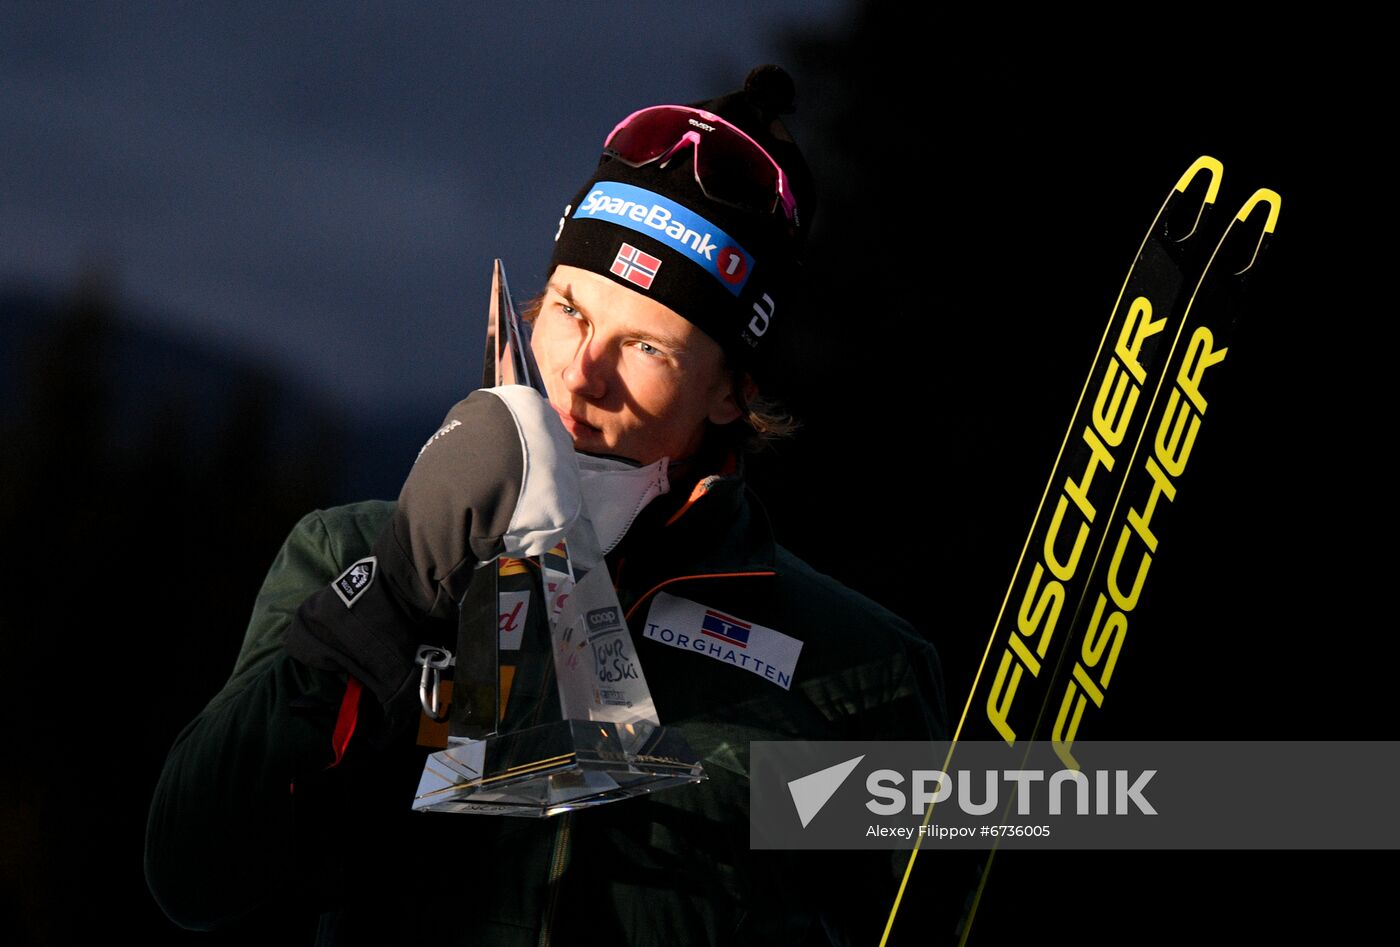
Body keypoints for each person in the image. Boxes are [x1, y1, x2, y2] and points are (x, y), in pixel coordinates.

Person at [145, 64, 948, 946]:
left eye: (647, 344)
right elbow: (194, 870)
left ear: (729, 393)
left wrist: (759, 782)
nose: (579, 370)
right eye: (569, 308)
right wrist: (398, 590)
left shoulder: (858, 661)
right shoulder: (350, 552)